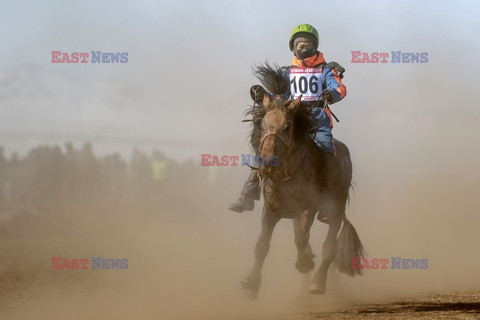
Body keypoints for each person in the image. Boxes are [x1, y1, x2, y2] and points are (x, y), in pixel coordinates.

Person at [229, 24, 347, 219]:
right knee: (267, 148)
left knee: (328, 151)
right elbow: (277, 95)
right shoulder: (287, 72)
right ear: (293, 48)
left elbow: (339, 87)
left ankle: (327, 202)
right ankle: (247, 194)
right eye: (299, 44)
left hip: (317, 121)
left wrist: (331, 93)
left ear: (315, 46)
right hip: (292, 123)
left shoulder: (326, 70)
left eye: (307, 44)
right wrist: (260, 93)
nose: (303, 47)